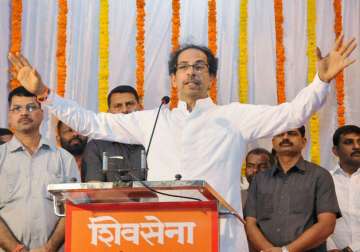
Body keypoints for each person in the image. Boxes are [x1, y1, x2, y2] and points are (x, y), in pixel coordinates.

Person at [7, 34, 356, 251]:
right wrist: (44, 94)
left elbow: (292, 114)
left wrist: (320, 82)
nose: (192, 72)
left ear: (211, 77)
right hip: (166, 234)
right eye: (184, 67)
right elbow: (93, 123)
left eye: (200, 66)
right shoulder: (154, 119)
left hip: (220, 236)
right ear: (173, 79)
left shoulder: (233, 116)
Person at [0, 87, 79, 252]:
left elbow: (74, 208)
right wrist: (15, 248)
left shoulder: (64, 159)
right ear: (9, 116)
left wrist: (49, 248)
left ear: (42, 113)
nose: (24, 113)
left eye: (31, 107)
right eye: (17, 108)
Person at [244, 126, 341, 252]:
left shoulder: (320, 176)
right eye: (280, 134)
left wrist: (286, 250)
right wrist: (269, 250)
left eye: (292, 134)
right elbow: (250, 223)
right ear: (273, 142)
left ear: (303, 142)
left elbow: (327, 225)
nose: (285, 138)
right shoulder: (260, 180)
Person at [82, 85, 146, 182]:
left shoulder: (154, 138)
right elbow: (95, 189)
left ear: (140, 108)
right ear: (108, 113)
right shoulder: (96, 146)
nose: (124, 110)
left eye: (130, 104)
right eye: (118, 106)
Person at [327, 125, 360, 252]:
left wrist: (351, 249)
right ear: (335, 150)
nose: (356, 146)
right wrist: (331, 248)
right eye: (348, 142)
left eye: (359, 142)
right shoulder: (325, 180)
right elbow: (316, 219)